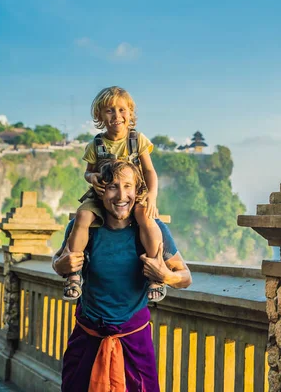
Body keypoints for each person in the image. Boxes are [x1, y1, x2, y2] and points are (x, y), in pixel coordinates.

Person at [52, 159, 192, 392]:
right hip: (88, 334)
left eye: (128, 186)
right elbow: (58, 261)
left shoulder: (151, 229)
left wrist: (164, 275)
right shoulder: (85, 227)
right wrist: (62, 265)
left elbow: (185, 277)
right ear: (100, 190)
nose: (121, 196)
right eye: (113, 186)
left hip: (133, 339)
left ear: (137, 191)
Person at [64, 86, 165, 303]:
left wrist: (152, 195)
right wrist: (92, 179)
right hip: (101, 195)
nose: (116, 116)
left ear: (130, 113)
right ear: (100, 116)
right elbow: (88, 171)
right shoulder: (96, 144)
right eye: (110, 111)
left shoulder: (137, 140)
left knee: (145, 218)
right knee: (82, 216)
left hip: (133, 195)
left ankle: (156, 274)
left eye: (122, 110)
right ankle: (73, 273)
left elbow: (149, 171)